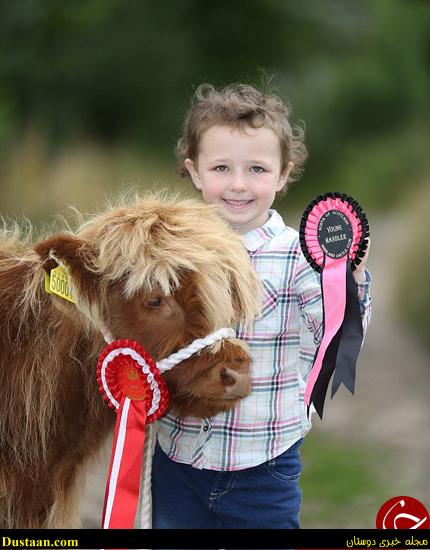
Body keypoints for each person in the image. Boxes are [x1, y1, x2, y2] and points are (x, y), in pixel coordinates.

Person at [151, 82, 372, 531]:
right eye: (220, 167)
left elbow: (333, 332)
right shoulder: (172, 251)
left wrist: (351, 280)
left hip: (263, 464)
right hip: (178, 455)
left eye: (256, 168)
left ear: (283, 173)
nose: (237, 184)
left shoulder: (300, 255)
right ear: (195, 172)